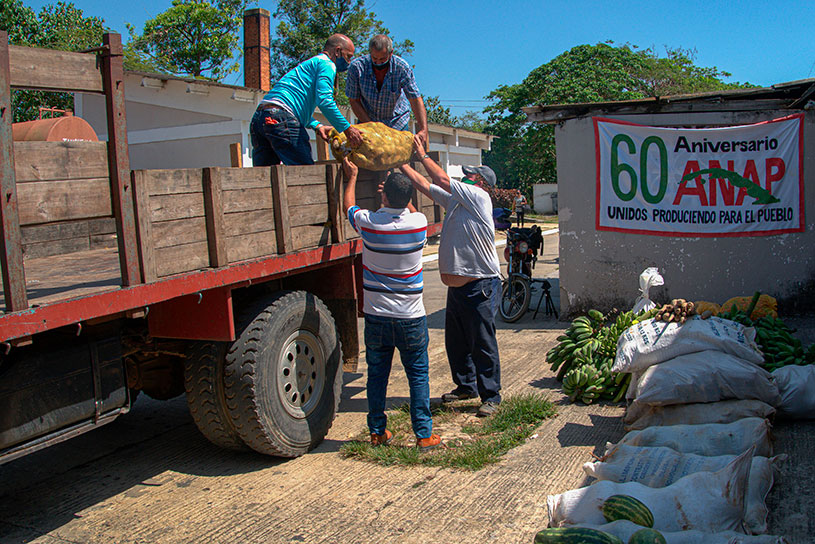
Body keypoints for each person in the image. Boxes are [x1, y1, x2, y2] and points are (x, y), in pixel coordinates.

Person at [342, 157, 441, 451]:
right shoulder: (419, 224)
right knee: (418, 375)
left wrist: (352, 176)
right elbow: (408, 210)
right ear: (409, 198)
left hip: (377, 316)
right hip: (411, 317)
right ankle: (424, 435)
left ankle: (377, 432)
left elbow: (348, 206)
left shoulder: (370, 224)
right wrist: (396, 196)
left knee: (377, 375)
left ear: (383, 195)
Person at [399, 137, 502, 418]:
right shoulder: (458, 203)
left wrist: (421, 155)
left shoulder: (479, 198)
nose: (464, 178)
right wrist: (401, 165)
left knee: (481, 342)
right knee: (456, 344)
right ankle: (466, 386)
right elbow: (425, 186)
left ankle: (491, 395)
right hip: (458, 289)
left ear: (480, 182)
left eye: (469, 176)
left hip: (479, 284)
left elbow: (442, 179)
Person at [250, 34, 363, 166]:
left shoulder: (310, 65)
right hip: (280, 118)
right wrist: (347, 129)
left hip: (259, 119)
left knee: (263, 178)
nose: (349, 62)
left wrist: (317, 126)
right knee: (306, 175)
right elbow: (325, 101)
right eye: (348, 56)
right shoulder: (327, 64)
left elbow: (293, 108)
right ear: (337, 51)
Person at [345, 34, 428, 148]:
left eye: (382, 59)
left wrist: (423, 129)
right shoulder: (357, 67)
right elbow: (354, 100)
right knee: (368, 159)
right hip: (368, 121)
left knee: (400, 160)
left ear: (391, 53)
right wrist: (373, 127)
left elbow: (415, 99)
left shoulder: (402, 67)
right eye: (375, 59)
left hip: (397, 123)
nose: (378, 63)